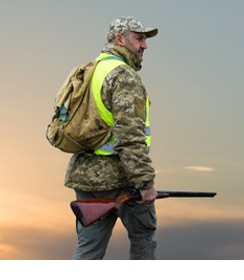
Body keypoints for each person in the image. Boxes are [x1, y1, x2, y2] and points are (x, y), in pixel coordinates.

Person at [65, 16, 160, 260]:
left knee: (88, 250)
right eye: (139, 39)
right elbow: (130, 136)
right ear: (120, 39)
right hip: (122, 178)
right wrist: (145, 183)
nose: (144, 46)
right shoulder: (123, 76)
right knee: (143, 243)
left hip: (85, 176)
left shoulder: (90, 70)